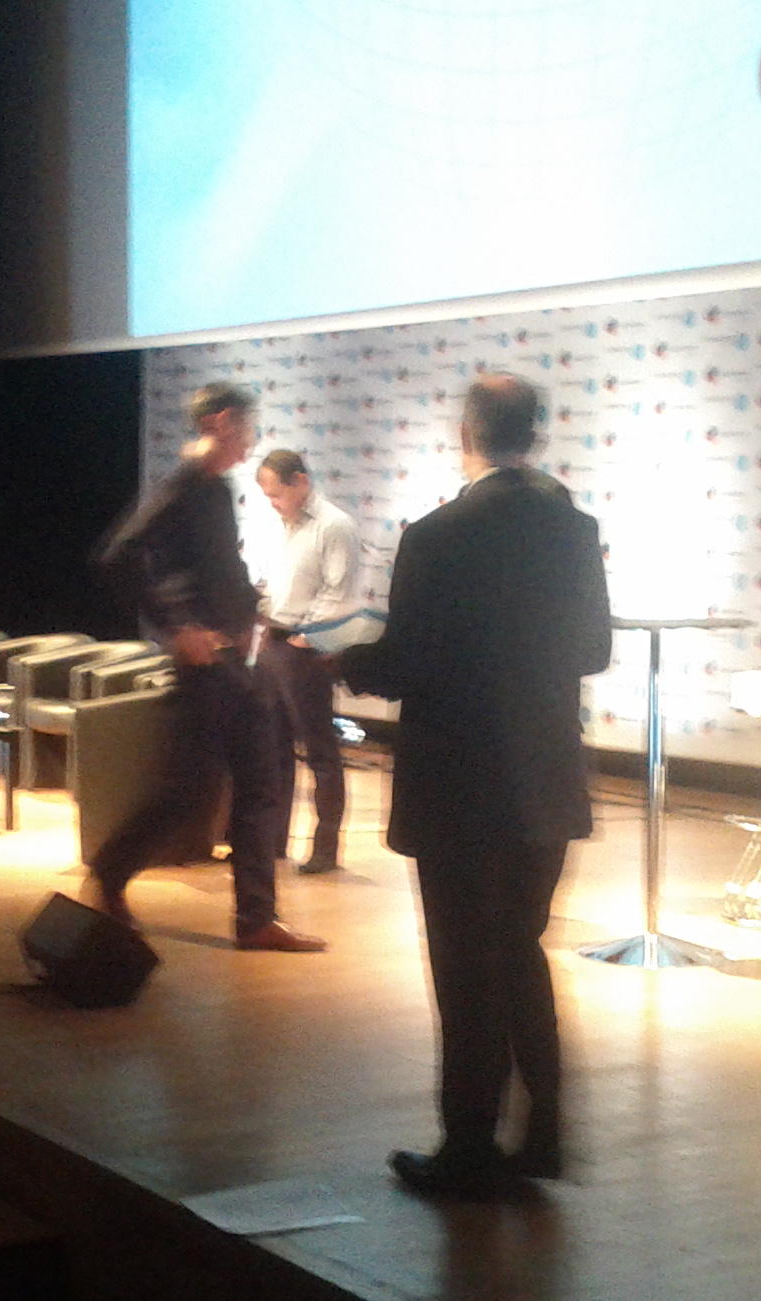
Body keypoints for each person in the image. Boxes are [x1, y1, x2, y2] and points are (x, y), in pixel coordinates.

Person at [340, 373, 613, 1195]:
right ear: (534, 434)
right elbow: (594, 651)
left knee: (463, 967)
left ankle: (468, 1148)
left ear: (465, 434)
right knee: (521, 952)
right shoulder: (574, 529)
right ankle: (545, 1134)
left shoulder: (436, 535)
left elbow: (406, 663)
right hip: (544, 777)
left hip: (459, 780)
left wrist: (347, 663)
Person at [86, 384, 327, 954]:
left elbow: (220, 565)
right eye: (246, 426)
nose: (251, 439)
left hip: (237, 666)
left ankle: (256, 919)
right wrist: (175, 628)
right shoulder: (184, 486)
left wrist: (250, 609)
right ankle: (110, 872)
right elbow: (118, 555)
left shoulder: (217, 490)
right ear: (220, 422)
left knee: (262, 786)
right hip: (205, 671)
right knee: (188, 794)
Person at [252, 449, 363, 874]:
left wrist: (306, 637)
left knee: (320, 751)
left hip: (306, 650)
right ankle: (273, 841)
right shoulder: (280, 526)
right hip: (273, 642)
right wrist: (261, 615)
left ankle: (325, 849)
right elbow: (272, 583)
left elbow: (340, 591)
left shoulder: (334, 526)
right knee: (272, 749)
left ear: (300, 481)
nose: (272, 503)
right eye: (266, 496)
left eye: (276, 494)